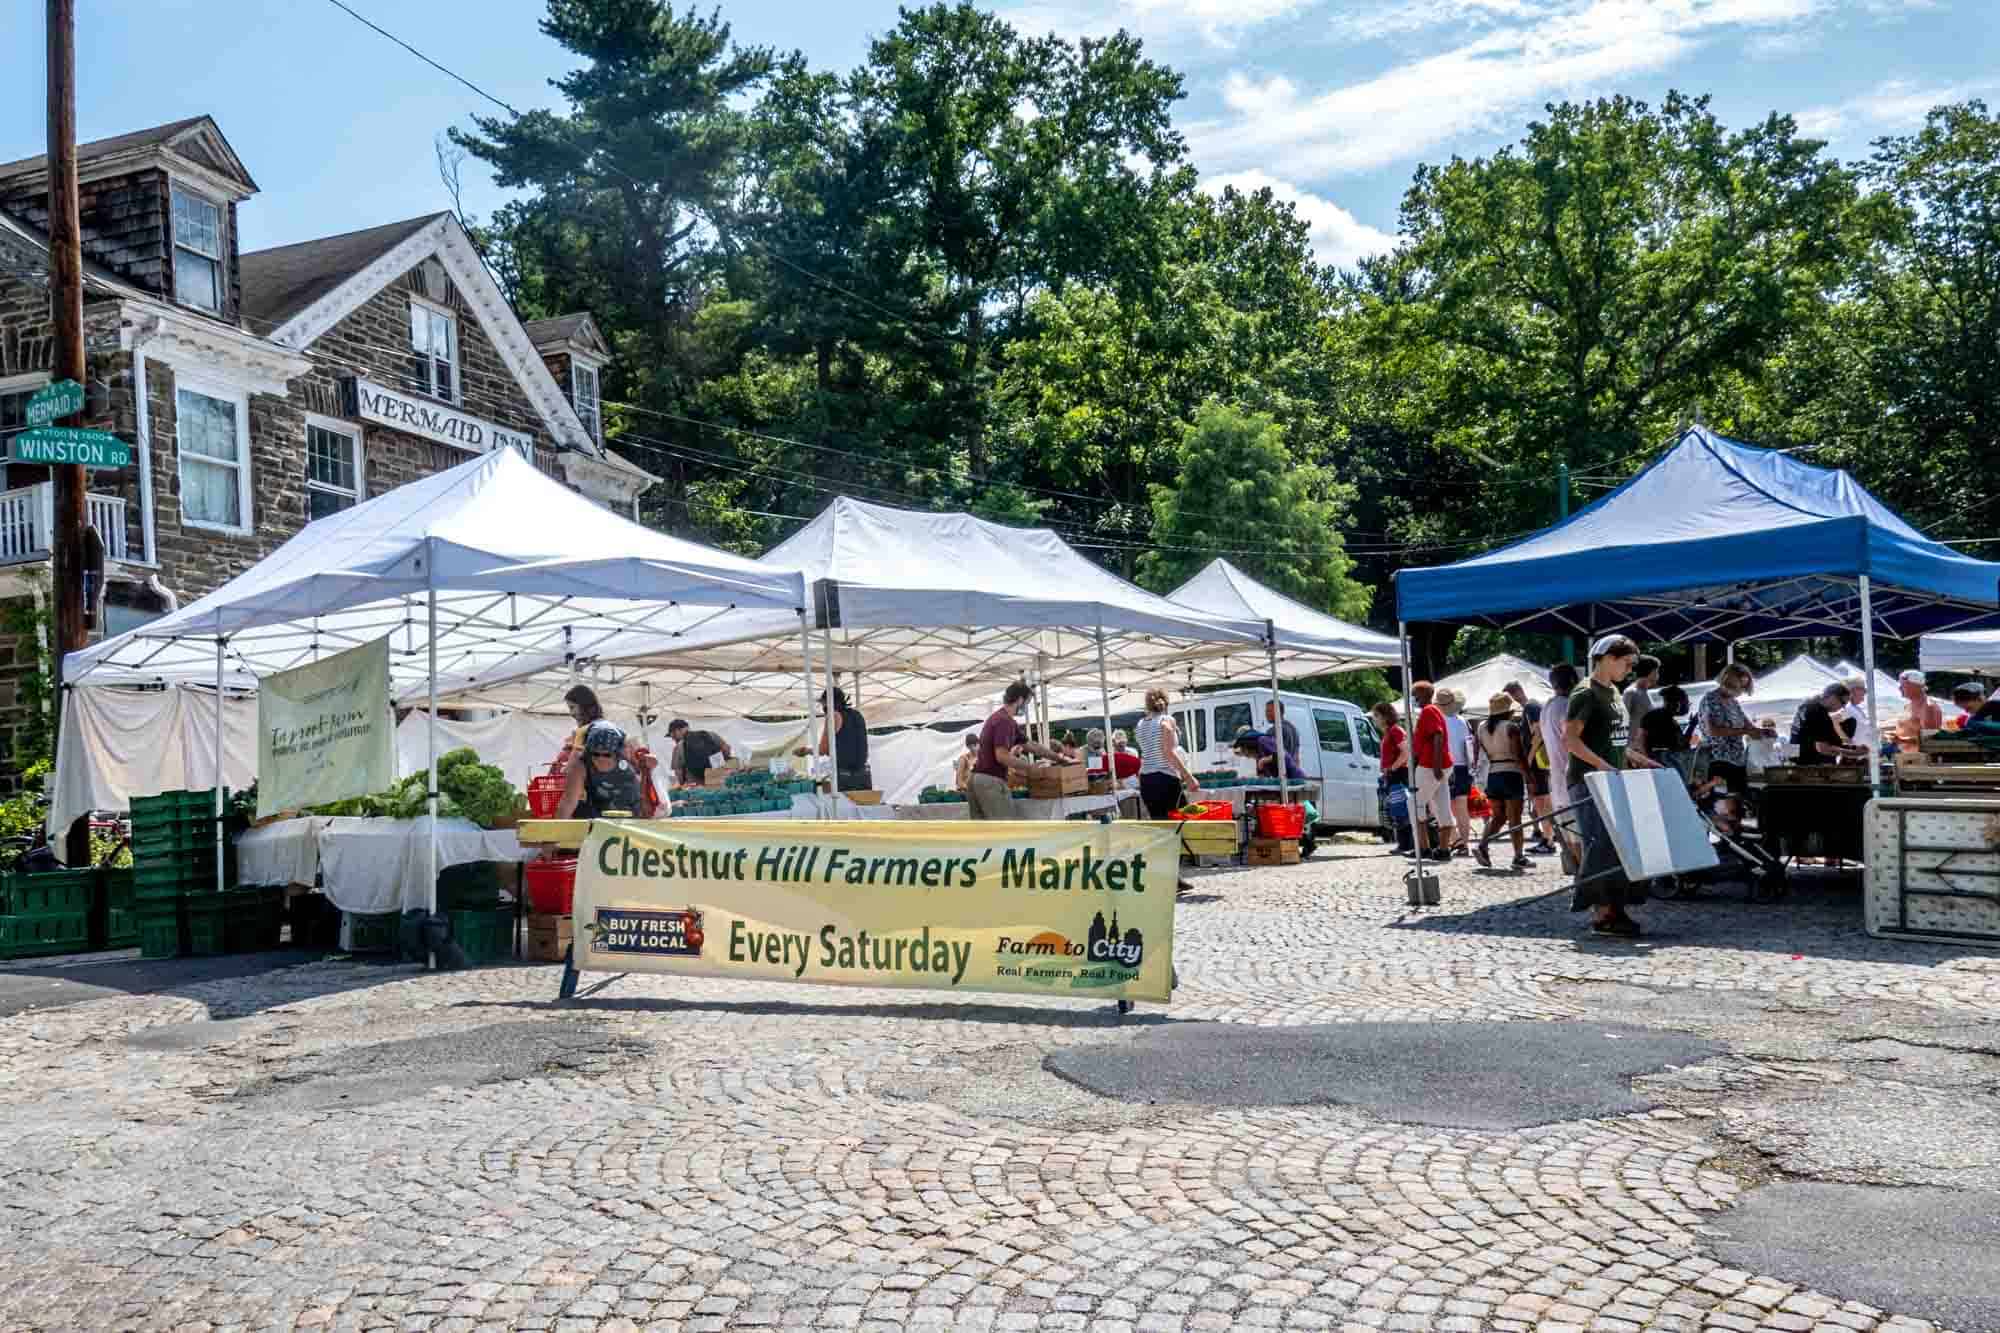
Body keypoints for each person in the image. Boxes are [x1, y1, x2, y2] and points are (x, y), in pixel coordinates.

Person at [1565, 635, 1662, 937]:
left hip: (1613, 778)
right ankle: (1601, 912)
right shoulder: (1585, 693)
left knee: (1624, 844)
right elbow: (1570, 741)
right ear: (1608, 657)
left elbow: (1613, 742)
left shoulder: (1615, 692)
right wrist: (1603, 766)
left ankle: (1616, 907)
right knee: (1602, 844)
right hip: (1589, 782)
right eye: (1627, 663)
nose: (1630, 669)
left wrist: (1636, 758)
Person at [967, 681, 1071, 819]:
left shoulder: (1001, 719)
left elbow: (1031, 745)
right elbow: (1002, 756)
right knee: (1003, 830)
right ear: (1020, 700)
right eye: (1027, 703)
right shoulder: (1004, 721)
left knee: (982, 832)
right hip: (990, 781)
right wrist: (1030, 767)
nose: (1026, 708)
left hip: (976, 779)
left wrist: (1058, 758)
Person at [1697, 663, 1773, 834]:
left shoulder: (1734, 703)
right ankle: (1722, 839)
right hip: (1718, 760)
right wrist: (1745, 731)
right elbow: (1712, 731)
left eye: (1745, 686)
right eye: (1741, 685)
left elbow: (1749, 728)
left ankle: (1736, 838)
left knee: (1737, 804)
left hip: (1737, 761)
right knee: (1721, 805)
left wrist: (1763, 732)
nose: (1742, 690)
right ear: (1729, 681)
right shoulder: (1710, 699)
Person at [1473, 692, 1531, 871]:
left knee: (1498, 817)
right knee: (1515, 818)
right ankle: (1518, 856)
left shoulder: (1482, 727)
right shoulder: (1511, 727)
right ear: (1508, 711)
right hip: (1511, 774)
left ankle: (1482, 845)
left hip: (1494, 774)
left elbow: (1479, 752)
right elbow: (1518, 754)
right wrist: (1528, 775)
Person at [556, 720, 658, 819]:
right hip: (600, 816)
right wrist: (556, 832)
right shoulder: (581, 764)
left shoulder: (629, 752)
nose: (601, 758)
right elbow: (568, 802)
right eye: (595, 754)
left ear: (617, 753)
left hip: (633, 814)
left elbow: (651, 761)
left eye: (607, 755)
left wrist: (650, 762)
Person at [1135, 688, 1202, 819]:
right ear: (1165, 703)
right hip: (1165, 778)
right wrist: (1189, 778)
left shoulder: (1140, 724)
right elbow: (1168, 753)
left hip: (1146, 780)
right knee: (1182, 820)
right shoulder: (1167, 720)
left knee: (1160, 824)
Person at [1410, 681, 1455, 862]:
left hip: (1430, 764)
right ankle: (1443, 849)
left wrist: (1435, 765)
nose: (1413, 698)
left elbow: (1437, 736)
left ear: (1422, 694)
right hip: (1440, 764)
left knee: (1414, 804)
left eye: (1414, 695)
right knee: (1441, 804)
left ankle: (1424, 847)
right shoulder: (1434, 711)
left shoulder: (1429, 710)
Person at [1541, 664, 1582, 862]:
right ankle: (1585, 875)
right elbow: (1572, 741)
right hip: (1571, 778)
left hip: (1556, 778)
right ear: (1574, 681)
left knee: (1570, 834)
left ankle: (1580, 874)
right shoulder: (1568, 707)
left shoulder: (1547, 707)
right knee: (1580, 834)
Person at [796, 687, 872, 792]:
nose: (822, 706)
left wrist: (805, 751)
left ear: (828, 702)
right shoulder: (857, 714)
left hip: (845, 776)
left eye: (823, 703)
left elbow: (823, 750)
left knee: (843, 807)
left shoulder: (833, 716)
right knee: (864, 807)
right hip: (863, 773)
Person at [1795, 682, 1868, 766]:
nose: (1842, 707)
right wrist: (1855, 753)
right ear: (1833, 698)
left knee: (1849, 722)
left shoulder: (1807, 705)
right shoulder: (1819, 712)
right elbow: (1823, 749)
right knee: (1850, 722)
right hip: (1811, 764)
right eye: (1843, 703)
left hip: (1799, 758)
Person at [1439, 688, 1475, 855]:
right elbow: (1469, 746)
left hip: (1447, 767)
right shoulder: (1463, 721)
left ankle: (1457, 840)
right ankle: (1465, 844)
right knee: (1462, 809)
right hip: (1463, 767)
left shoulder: (1439, 720)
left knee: (1444, 808)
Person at [1522, 699, 1558, 856]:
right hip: (1538, 762)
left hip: (1537, 762)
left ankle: (1548, 839)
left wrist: (1529, 758)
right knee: (1541, 801)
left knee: (1543, 801)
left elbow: (1538, 732)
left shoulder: (1531, 707)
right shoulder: (1532, 707)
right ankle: (1547, 837)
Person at [669, 718, 733, 787]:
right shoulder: (710, 734)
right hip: (718, 778)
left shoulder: (678, 748)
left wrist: (682, 784)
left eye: (673, 735)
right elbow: (727, 749)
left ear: (678, 730)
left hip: (697, 785)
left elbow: (678, 772)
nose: (673, 738)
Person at [1891, 669, 1944, 752]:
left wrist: (1902, 740)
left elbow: (1930, 740)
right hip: (1908, 757)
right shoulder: (1908, 706)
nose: (1899, 688)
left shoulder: (1928, 707)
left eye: (1903, 685)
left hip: (1922, 759)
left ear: (1915, 686)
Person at [1623, 655, 1662, 733]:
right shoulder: (1631, 692)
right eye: (1657, 672)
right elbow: (1622, 721)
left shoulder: (1644, 692)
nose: (1658, 676)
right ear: (1651, 673)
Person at [1265, 698, 1302, 777]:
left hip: (1279, 775)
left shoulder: (1274, 730)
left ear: (1279, 712)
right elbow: (1297, 758)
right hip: (1291, 774)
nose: (1266, 714)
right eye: (1266, 711)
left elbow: (1275, 755)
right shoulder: (1293, 728)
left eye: (1269, 711)